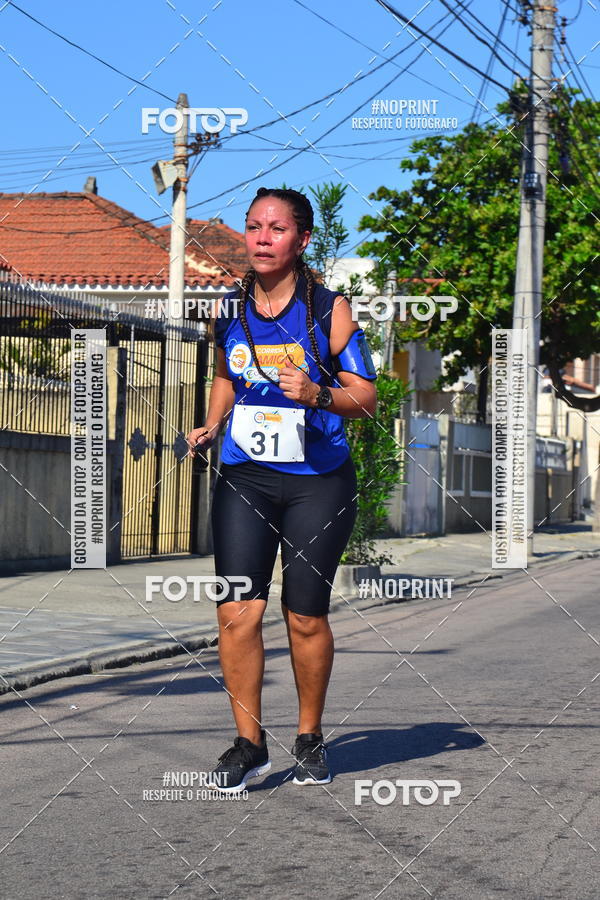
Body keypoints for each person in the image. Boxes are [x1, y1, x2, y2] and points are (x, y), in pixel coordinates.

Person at [187, 187, 377, 792]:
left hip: (316, 482)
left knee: (303, 614)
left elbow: (365, 398)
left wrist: (317, 394)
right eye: (253, 227)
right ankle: (249, 745)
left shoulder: (329, 310)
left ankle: (310, 737)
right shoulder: (229, 310)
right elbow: (225, 376)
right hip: (246, 475)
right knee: (236, 610)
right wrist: (213, 423)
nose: (262, 238)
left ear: (302, 239)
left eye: (275, 228)